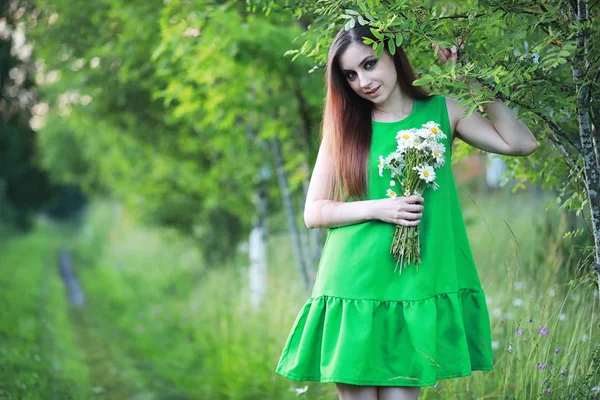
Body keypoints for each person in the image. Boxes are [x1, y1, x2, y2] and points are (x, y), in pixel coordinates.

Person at [275, 23, 538, 400]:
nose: (362, 81)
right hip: (356, 283)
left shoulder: (442, 111)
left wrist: (470, 81)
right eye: (350, 74)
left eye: (369, 64)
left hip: (415, 282)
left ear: (394, 55)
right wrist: (380, 207)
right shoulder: (347, 127)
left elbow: (521, 143)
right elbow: (314, 212)